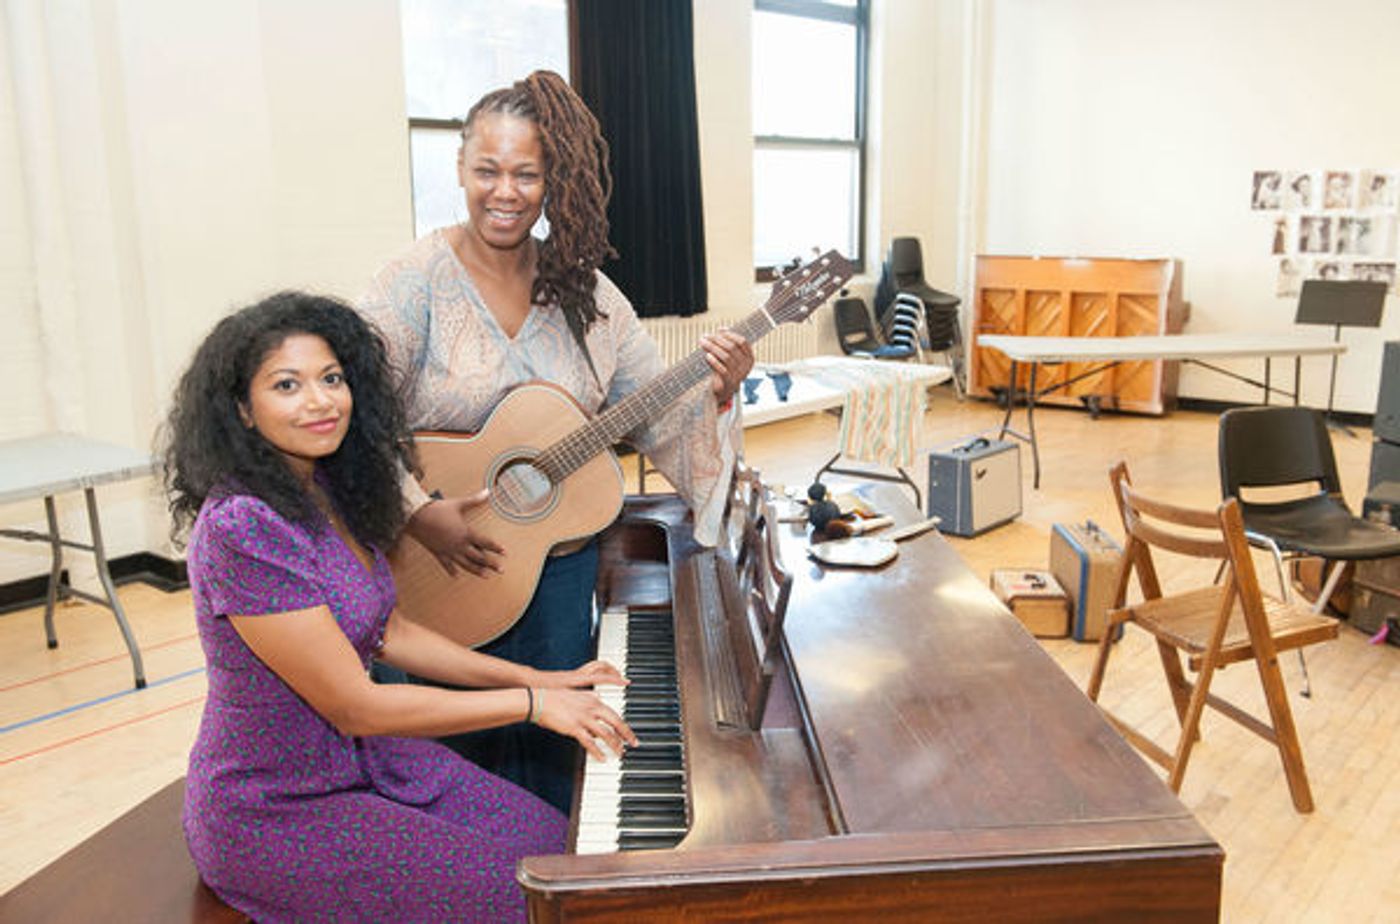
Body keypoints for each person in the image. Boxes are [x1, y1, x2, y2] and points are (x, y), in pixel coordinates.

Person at [161, 292, 636, 923]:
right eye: (287, 385)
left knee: (559, 847)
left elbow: (389, 630)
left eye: (332, 378)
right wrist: (534, 705)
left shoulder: (327, 485)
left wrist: (536, 676)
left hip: (371, 761)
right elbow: (357, 706)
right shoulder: (242, 526)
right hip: (278, 805)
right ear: (243, 411)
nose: (320, 400)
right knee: (533, 896)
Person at [358, 70, 753, 814]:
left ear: (552, 180)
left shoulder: (590, 296)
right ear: (460, 170)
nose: (504, 192)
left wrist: (720, 390)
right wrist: (414, 507)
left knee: (548, 778)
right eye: (487, 171)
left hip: (555, 580)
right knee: (447, 778)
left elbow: (659, 414)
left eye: (525, 174)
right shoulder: (411, 284)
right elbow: (352, 407)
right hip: (439, 570)